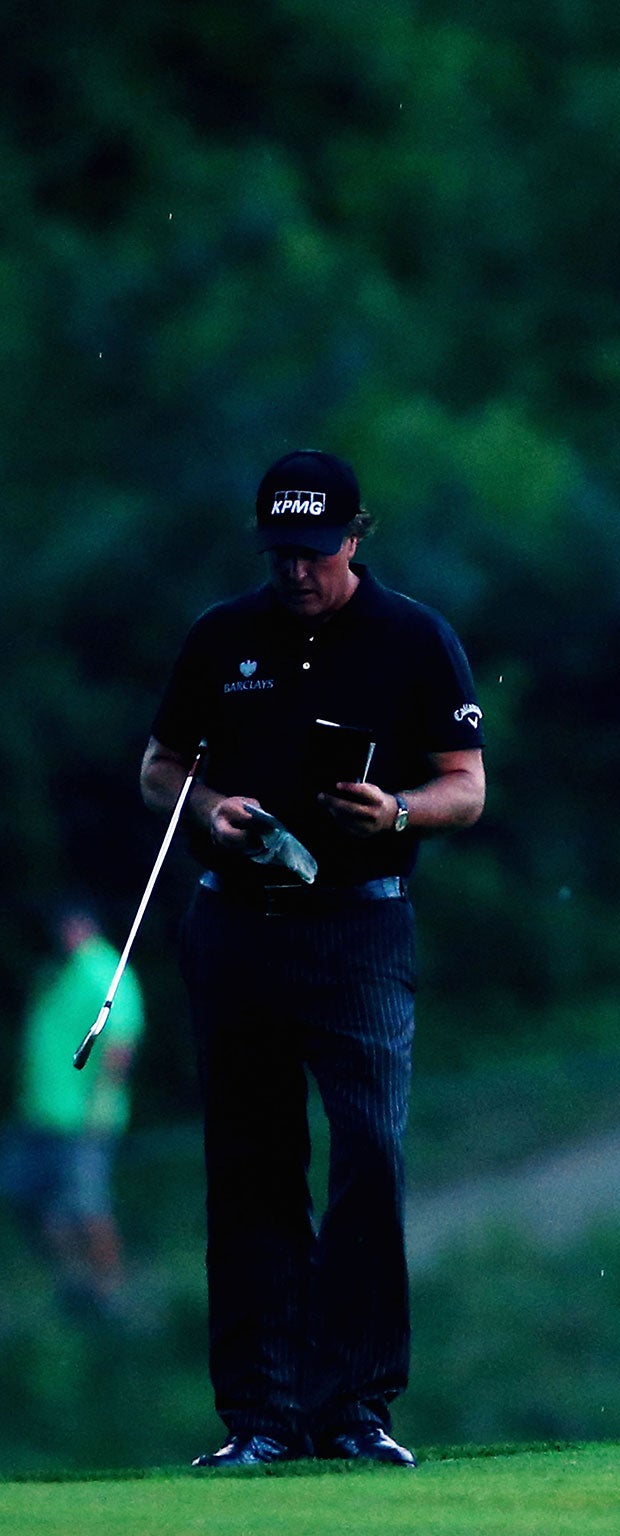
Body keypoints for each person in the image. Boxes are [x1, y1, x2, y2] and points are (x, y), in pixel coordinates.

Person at [142, 449, 486, 1468]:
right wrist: (212, 810)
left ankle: (356, 1409)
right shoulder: (222, 635)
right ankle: (261, 1415)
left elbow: (464, 785)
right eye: (280, 550)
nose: (296, 569)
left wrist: (398, 810)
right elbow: (161, 766)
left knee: (369, 1152)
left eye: (315, 549)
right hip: (237, 917)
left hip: (359, 921)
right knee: (249, 1166)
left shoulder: (414, 638)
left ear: (355, 536)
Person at [3, 903, 144, 1316]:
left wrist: (100, 1106)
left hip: (82, 1119)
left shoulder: (103, 969)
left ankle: (112, 1295)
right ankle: (75, 1285)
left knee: (89, 1206)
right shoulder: (61, 973)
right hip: (45, 1116)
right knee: (35, 1198)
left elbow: (120, 1044)